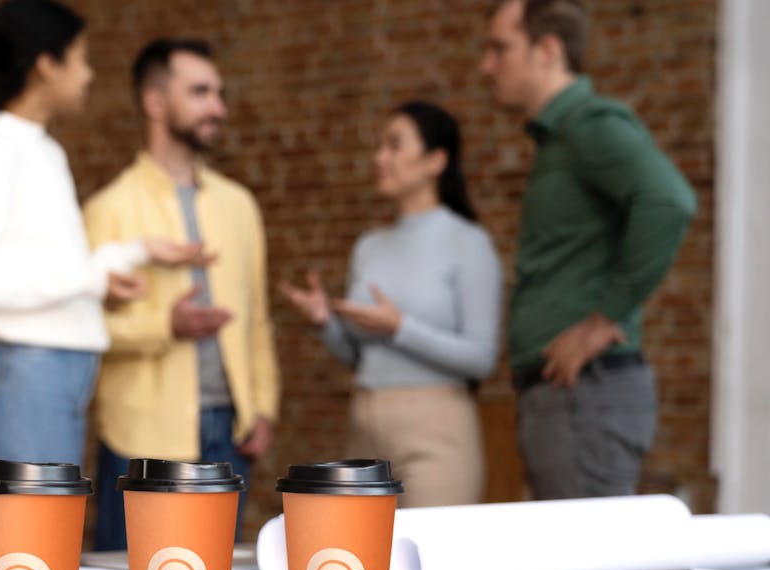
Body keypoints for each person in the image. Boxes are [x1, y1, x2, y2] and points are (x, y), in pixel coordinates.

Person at [0, 0, 202, 468]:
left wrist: (132, 255)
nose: (89, 74)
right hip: (21, 383)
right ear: (45, 66)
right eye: (80, 59)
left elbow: (46, 267)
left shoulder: (45, 152)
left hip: (51, 382)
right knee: (31, 543)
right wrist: (90, 280)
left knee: (47, 541)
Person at [480, 0, 696, 499]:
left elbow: (669, 201)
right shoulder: (561, 137)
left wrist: (604, 321)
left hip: (584, 398)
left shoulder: (587, 125)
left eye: (500, 48)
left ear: (548, 50)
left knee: (586, 567)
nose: (486, 65)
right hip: (565, 400)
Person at [82, 38, 280, 550]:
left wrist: (263, 406)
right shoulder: (109, 209)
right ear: (154, 102)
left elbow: (257, 318)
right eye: (200, 92)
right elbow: (87, 328)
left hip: (229, 433)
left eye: (218, 92)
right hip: (141, 434)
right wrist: (165, 328)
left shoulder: (240, 206)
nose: (218, 107)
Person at [280, 102, 502, 508]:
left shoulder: (468, 243)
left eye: (395, 145)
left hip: (436, 431)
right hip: (364, 427)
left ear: (436, 160)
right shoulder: (369, 246)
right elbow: (357, 355)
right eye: (380, 146)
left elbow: (482, 357)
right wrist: (325, 323)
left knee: (431, 563)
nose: (380, 158)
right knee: (364, 565)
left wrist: (400, 327)